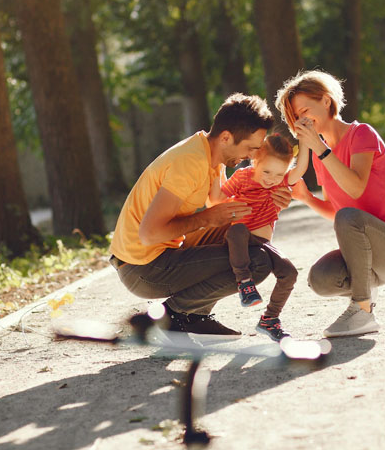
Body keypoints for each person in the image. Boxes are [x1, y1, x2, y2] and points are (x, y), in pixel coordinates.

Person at [109, 93, 292, 336]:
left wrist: (272, 200)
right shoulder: (190, 162)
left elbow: (222, 205)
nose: (252, 156)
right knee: (257, 262)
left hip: (157, 255)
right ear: (226, 138)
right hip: (143, 269)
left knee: (246, 234)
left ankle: (194, 317)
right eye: (250, 148)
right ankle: (169, 317)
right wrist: (207, 218)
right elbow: (149, 234)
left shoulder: (208, 153)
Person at [275, 70, 385, 338]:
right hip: (369, 254)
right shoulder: (320, 156)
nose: (302, 120)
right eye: (296, 117)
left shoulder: (361, 134)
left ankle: (363, 310)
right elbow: (337, 211)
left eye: (305, 110)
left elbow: (355, 187)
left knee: (349, 218)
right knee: (319, 278)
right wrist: (306, 198)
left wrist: (320, 149)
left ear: (326, 101)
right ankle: (365, 288)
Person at [208, 133, 309, 341]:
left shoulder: (282, 183)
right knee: (237, 230)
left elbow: (300, 168)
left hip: (263, 244)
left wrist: (305, 140)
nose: (271, 178)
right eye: (267, 171)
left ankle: (270, 319)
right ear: (255, 161)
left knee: (289, 272)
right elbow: (216, 198)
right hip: (240, 239)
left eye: (279, 174)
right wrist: (217, 168)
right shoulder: (242, 177)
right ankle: (244, 282)